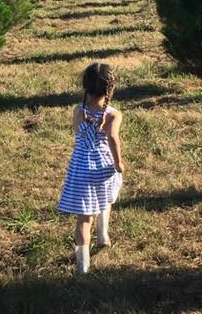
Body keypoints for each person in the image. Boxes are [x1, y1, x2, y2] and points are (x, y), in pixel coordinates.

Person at [57, 62, 125, 274]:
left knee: (83, 219)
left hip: (80, 168)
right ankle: (103, 235)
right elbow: (113, 139)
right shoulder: (113, 115)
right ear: (110, 88)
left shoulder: (78, 110)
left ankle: (82, 265)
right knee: (106, 197)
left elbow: (78, 131)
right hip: (103, 167)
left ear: (84, 86)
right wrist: (118, 163)